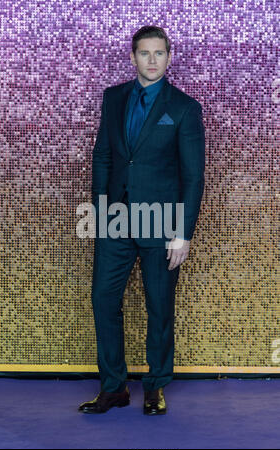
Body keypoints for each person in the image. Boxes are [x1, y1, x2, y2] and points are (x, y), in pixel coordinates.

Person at [78, 25, 205, 415]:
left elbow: (193, 176)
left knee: (159, 306)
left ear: (169, 57)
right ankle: (114, 387)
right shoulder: (113, 98)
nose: (152, 60)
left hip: (162, 222)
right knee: (103, 300)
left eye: (159, 53)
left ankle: (154, 387)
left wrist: (182, 233)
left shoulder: (184, 108)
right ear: (133, 57)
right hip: (115, 220)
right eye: (144, 53)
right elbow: (103, 156)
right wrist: (100, 210)